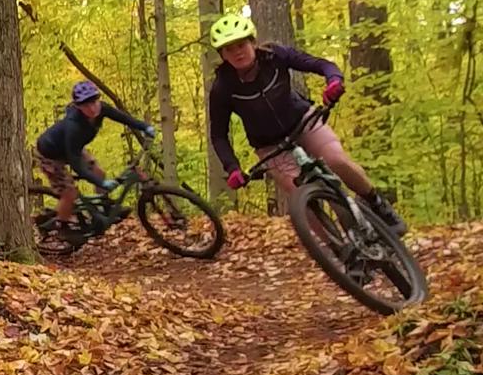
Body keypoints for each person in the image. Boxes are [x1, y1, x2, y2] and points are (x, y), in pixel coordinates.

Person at [205, 12, 405, 235]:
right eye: (229, 49)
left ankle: (378, 204)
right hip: (269, 145)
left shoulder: (275, 56)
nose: (237, 52)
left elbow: (321, 64)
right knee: (300, 195)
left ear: (253, 42)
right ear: (222, 55)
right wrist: (232, 167)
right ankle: (335, 246)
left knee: (336, 160)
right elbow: (218, 135)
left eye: (241, 44)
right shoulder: (222, 88)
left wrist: (334, 81)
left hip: (303, 121)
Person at [35, 81, 156, 230]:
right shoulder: (73, 126)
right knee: (70, 193)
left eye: (94, 102)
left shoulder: (102, 108)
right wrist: (100, 183)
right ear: (78, 107)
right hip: (50, 155)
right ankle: (62, 226)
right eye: (86, 105)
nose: (92, 108)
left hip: (71, 148)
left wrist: (144, 127)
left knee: (99, 172)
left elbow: (123, 118)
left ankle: (105, 209)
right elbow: (75, 163)